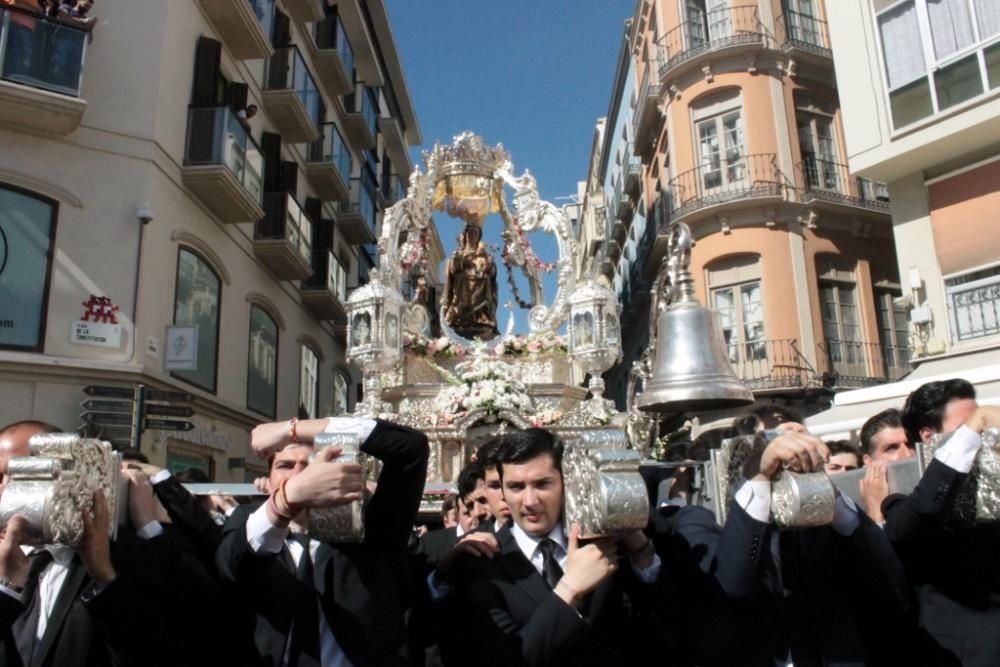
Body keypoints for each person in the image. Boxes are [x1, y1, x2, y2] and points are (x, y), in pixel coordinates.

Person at [672, 431, 916, 666]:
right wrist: (761, 476)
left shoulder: (817, 524)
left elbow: (891, 584)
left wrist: (828, 495)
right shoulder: (697, 521)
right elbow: (732, 587)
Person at [216, 415, 429, 666]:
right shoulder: (248, 520)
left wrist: (291, 430)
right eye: (285, 465)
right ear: (269, 476)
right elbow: (232, 567)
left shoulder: (370, 531)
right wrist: (287, 499)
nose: (298, 475)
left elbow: (411, 448)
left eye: (310, 465)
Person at [452, 429, 661, 666]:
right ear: (502, 489)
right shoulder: (481, 561)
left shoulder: (604, 540)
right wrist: (569, 590)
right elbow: (504, 658)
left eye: (542, 484)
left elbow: (663, 625)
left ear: (565, 481)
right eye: (516, 487)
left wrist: (641, 551)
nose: (530, 501)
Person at [881, 379, 1000, 666]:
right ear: (928, 436)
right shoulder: (900, 501)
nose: (980, 437)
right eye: (967, 427)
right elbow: (922, 514)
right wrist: (978, 421)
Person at [442, 224, 498, 339]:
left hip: (482, 286)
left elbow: (491, 273)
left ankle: (481, 315)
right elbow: (452, 269)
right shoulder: (458, 253)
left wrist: (490, 265)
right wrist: (464, 262)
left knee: (484, 279)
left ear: (478, 236)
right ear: (465, 234)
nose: (472, 235)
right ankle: (459, 313)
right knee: (465, 279)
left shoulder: (484, 254)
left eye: (475, 233)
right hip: (462, 285)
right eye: (470, 232)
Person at [858, 408, 912, 523]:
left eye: (910, 444)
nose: (907, 454)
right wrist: (875, 513)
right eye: (891, 448)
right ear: (869, 461)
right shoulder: (854, 513)